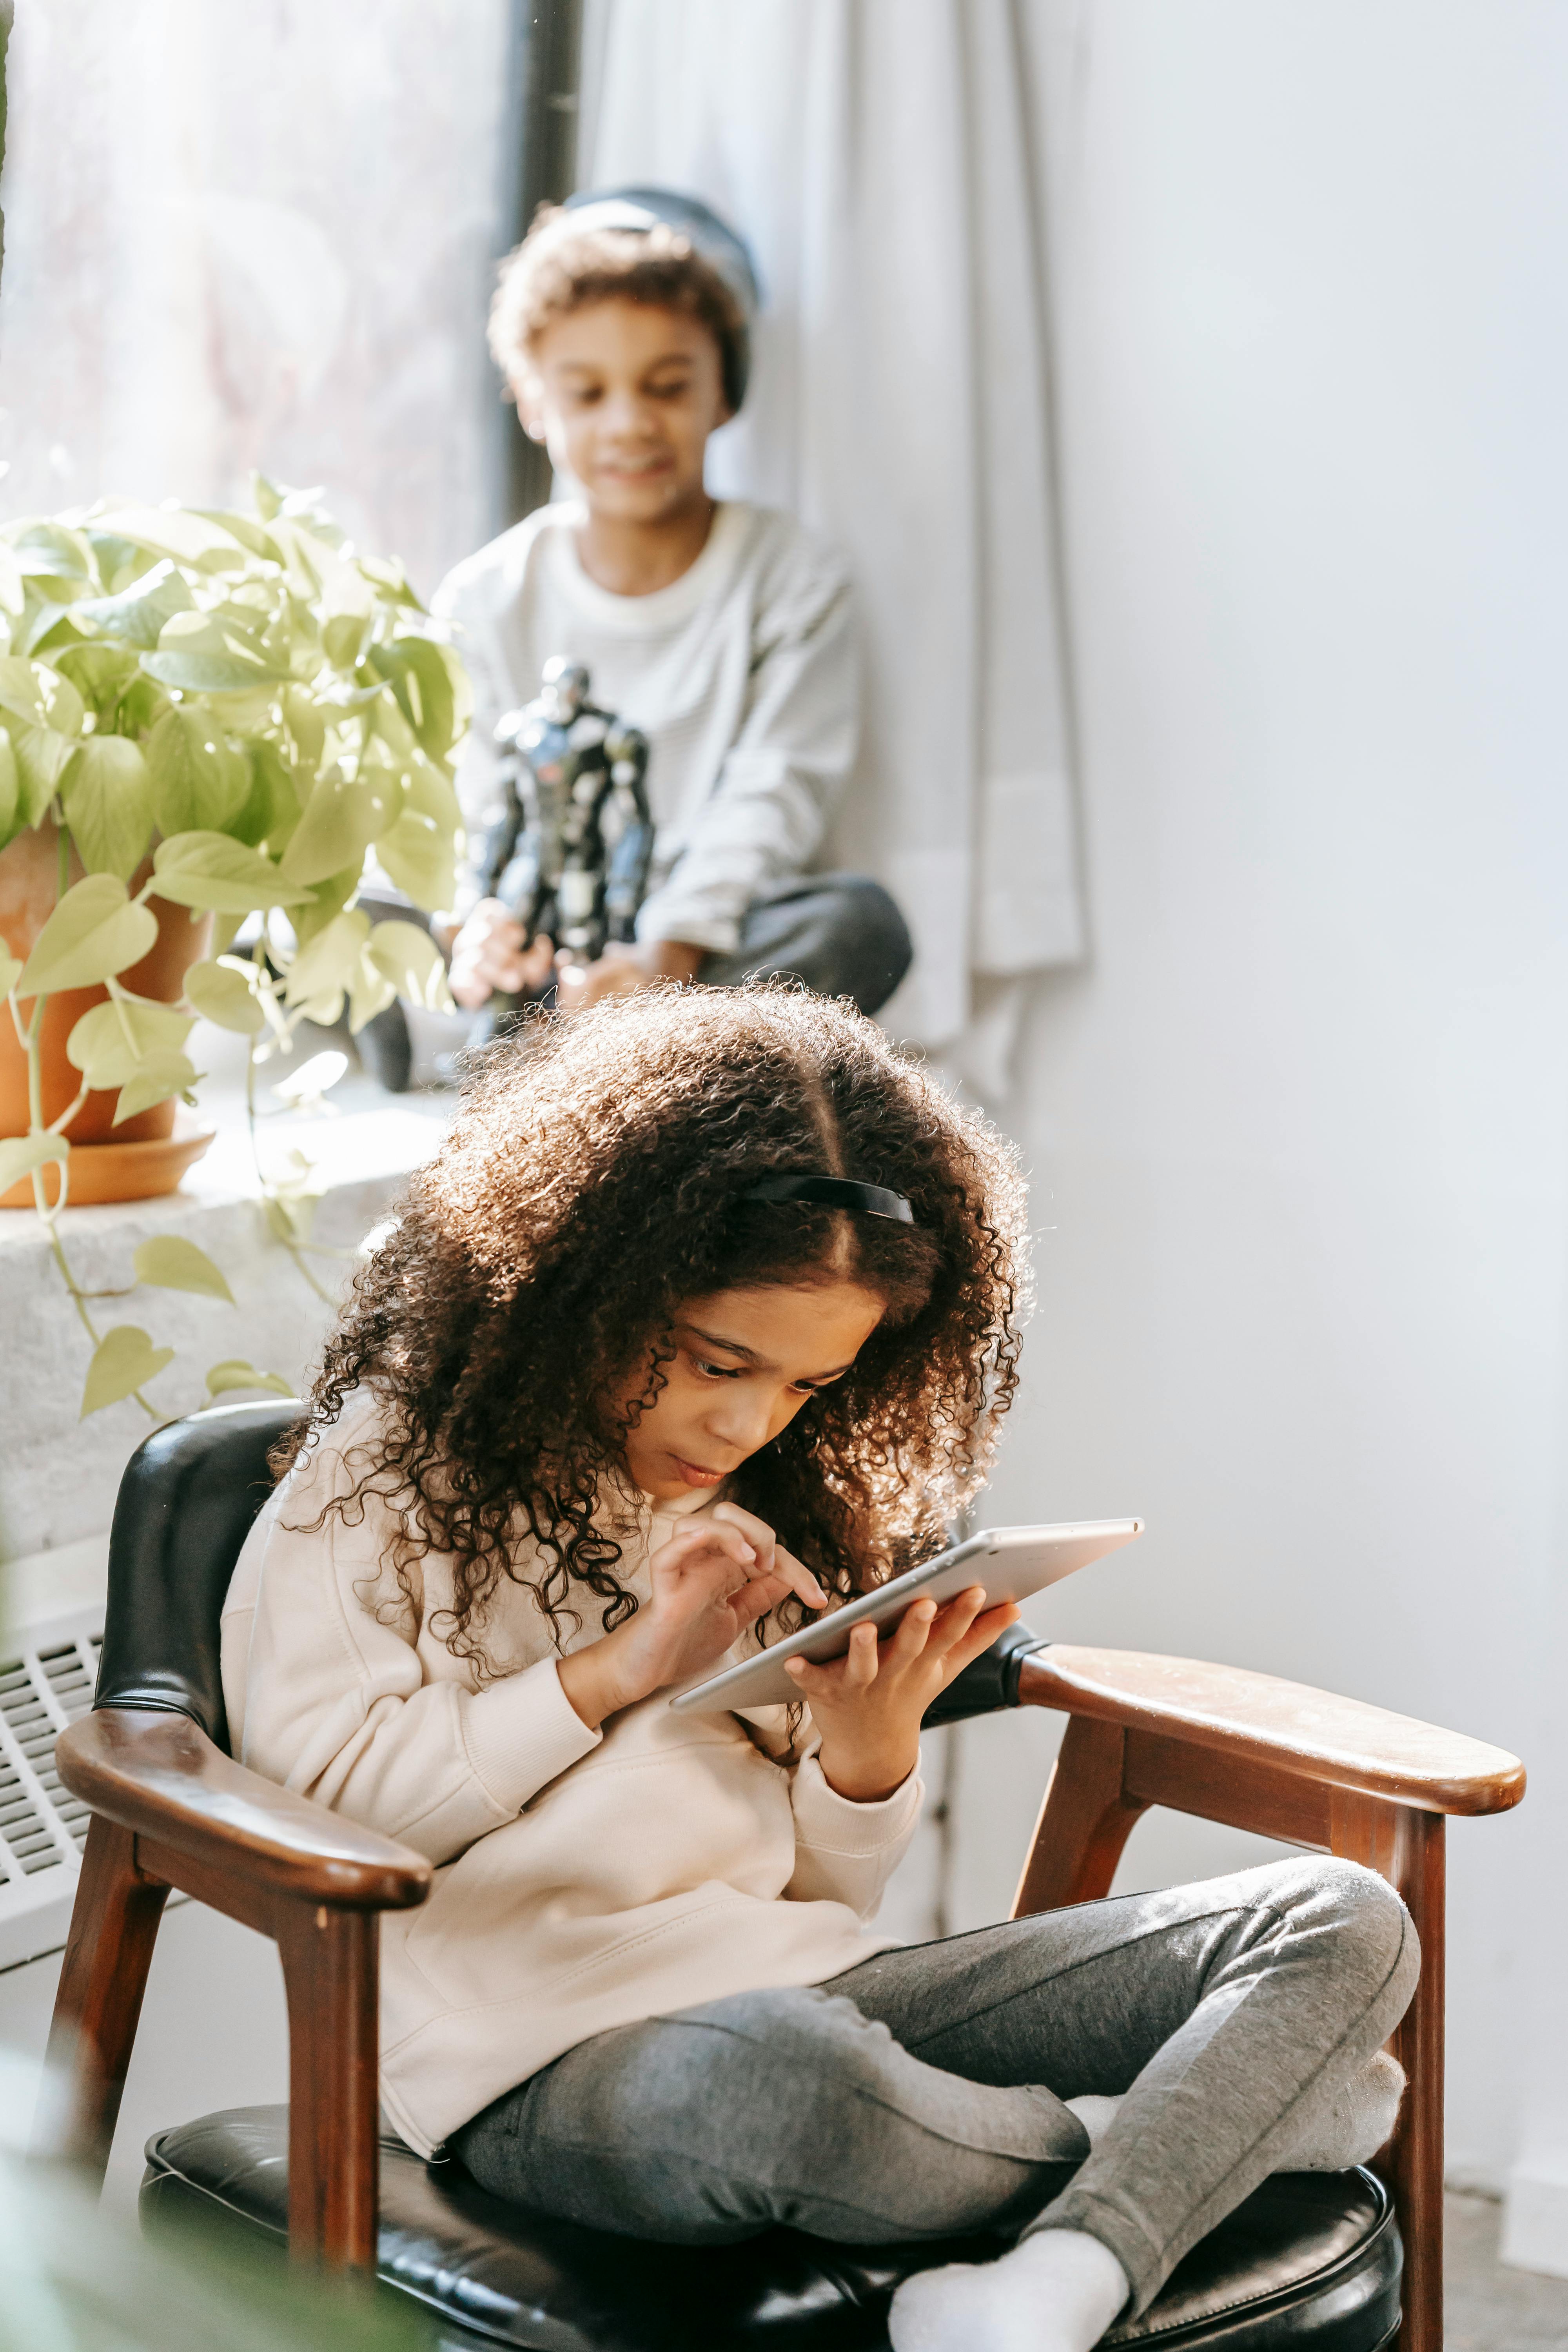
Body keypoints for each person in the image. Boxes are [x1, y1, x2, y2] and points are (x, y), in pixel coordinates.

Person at [222, 987, 1417, 2352]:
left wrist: (867, 1754)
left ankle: (1057, 2284)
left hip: (818, 1994)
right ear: (589, 1279)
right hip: (540, 2068)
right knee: (789, 2093)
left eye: (801, 1388)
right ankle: (1178, 2143)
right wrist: (621, 1670)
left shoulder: (773, 1509)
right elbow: (326, 1818)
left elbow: (819, 1900)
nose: (743, 1423)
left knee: (1342, 1914)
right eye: (718, 1360)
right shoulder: (381, 1481)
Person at [433, 189, 911, 1028]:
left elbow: (775, 794)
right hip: (549, 956)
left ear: (722, 393)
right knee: (333, 914)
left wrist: (670, 954)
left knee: (856, 924)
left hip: (700, 955)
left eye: (665, 386)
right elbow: (474, 802)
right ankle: (531, 1045)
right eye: (586, 393)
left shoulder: (791, 579)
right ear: (534, 403)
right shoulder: (487, 596)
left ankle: (626, 1050)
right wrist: (481, 920)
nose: (628, 424)